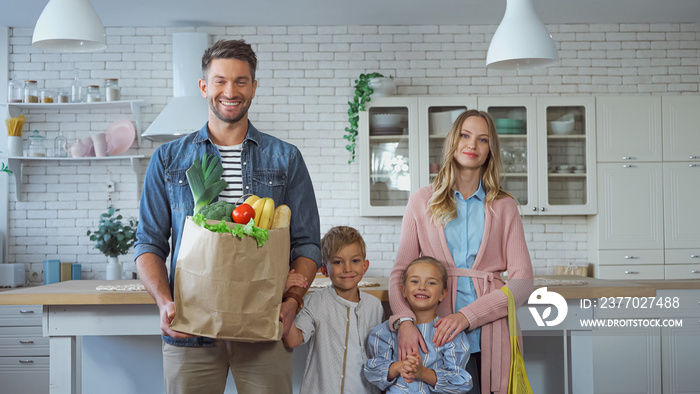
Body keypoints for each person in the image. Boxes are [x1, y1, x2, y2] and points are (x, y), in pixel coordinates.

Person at [134, 39, 321, 394]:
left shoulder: (286, 158)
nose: (230, 91)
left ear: (253, 87)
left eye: (240, 81)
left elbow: (308, 243)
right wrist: (164, 302)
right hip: (190, 328)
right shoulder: (168, 160)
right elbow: (148, 243)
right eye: (220, 80)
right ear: (204, 87)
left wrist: (293, 302)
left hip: (264, 326)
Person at [388, 109, 534, 394]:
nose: (472, 145)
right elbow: (399, 275)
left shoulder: (504, 206)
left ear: (490, 149)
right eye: (465, 136)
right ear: (453, 142)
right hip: (434, 334)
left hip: (489, 335)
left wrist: (468, 316)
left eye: (482, 139)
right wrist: (404, 321)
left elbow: (523, 282)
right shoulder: (421, 201)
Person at [283, 226, 384, 394]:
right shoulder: (314, 302)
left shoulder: (374, 306)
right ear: (324, 270)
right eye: (338, 262)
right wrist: (282, 297)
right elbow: (293, 340)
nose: (347, 269)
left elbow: (380, 355)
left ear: (365, 266)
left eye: (355, 261)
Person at [364, 256, 472, 393]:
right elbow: (373, 372)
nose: (422, 287)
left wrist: (422, 373)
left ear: (443, 294)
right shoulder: (386, 332)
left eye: (431, 283)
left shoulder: (449, 334)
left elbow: (461, 382)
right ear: (403, 290)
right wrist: (399, 366)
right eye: (415, 281)